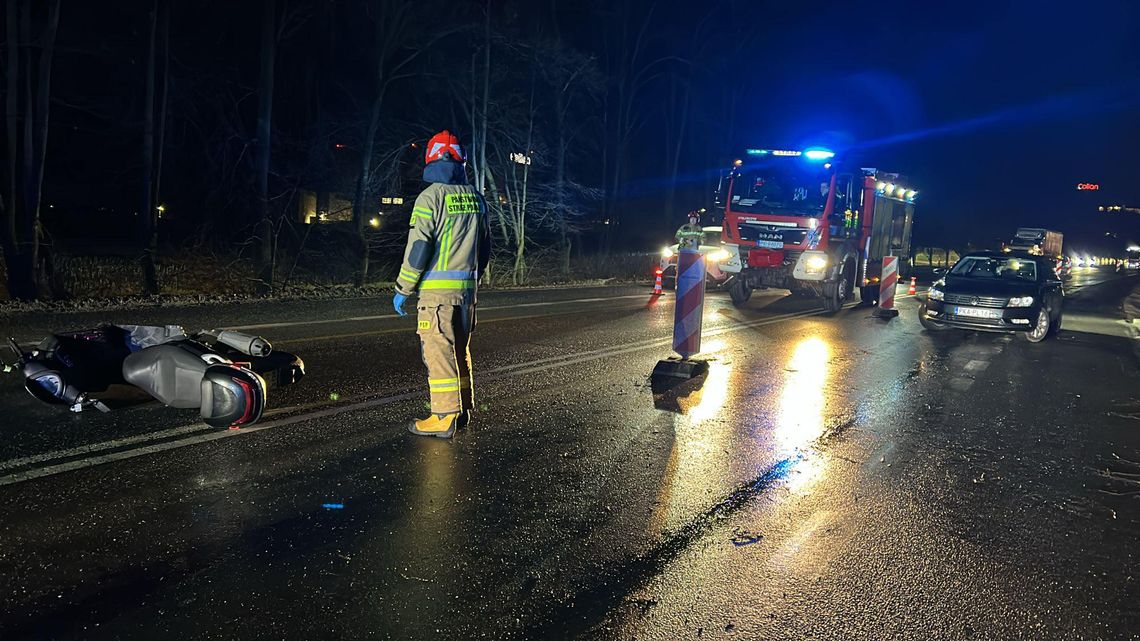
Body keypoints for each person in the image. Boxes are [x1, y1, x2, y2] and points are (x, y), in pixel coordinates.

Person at [393, 130, 491, 438]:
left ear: (431, 159)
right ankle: (462, 409)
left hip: (437, 296)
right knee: (459, 351)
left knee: (438, 354)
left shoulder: (430, 197)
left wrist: (403, 288)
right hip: (467, 294)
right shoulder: (476, 198)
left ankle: (444, 416)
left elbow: (419, 249)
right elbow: (485, 249)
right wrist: (472, 280)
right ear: (461, 161)